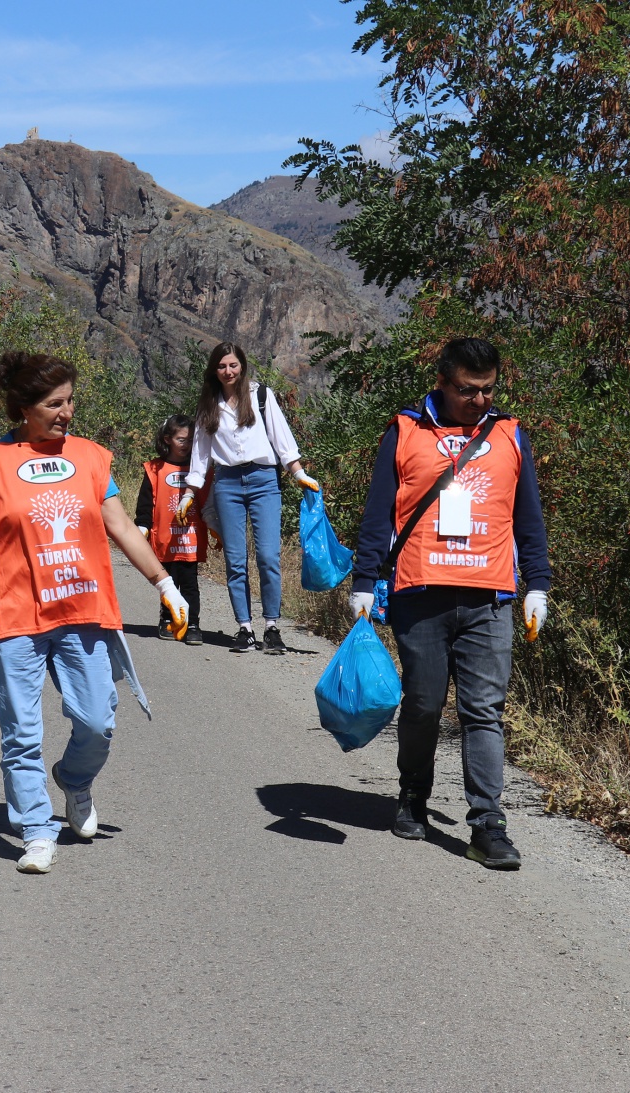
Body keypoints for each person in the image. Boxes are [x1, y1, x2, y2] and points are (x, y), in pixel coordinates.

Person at [0, 351, 189, 875]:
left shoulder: (90, 458)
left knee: (97, 720)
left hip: (84, 608)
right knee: (21, 732)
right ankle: (36, 830)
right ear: (24, 408)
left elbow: (120, 526)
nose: (66, 412)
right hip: (18, 614)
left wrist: (165, 583)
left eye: (70, 401)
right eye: (54, 404)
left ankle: (74, 779)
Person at [349, 337, 552, 870]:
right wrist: (364, 580)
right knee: (422, 704)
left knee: (484, 710)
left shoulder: (509, 434)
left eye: (488, 390)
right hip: (421, 592)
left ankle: (488, 824)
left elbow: (528, 516)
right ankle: (413, 792)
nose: (479, 400)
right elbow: (378, 512)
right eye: (467, 390)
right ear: (441, 381)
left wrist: (537, 585)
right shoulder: (405, 430)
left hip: (490, 598)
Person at [178, 343, 319, 656]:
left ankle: (271, 626)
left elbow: (282, 440)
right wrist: (189, 493)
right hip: (227, 483)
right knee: (235, 560)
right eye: (222, 366)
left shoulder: (260, 395)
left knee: (268, 556)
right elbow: (201, 456)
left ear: (242, 366)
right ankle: (244, 627)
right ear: (214, 370)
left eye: (233, 365)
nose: (228, 371)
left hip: (263, 480)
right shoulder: (208, 405)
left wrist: (299, 473)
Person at [135, 414, 207, 645]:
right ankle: (168, 619)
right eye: (181, 439)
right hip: (164, 539)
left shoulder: (199, 470)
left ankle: (192, 624)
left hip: (190, 539)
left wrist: (215, 525)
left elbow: (207, 502)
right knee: (169, 582)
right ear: (167, 439)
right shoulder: (154, 469)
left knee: (190, 584)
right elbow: (145, 504)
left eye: (191, 440)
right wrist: (142, 528)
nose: (186, 445)